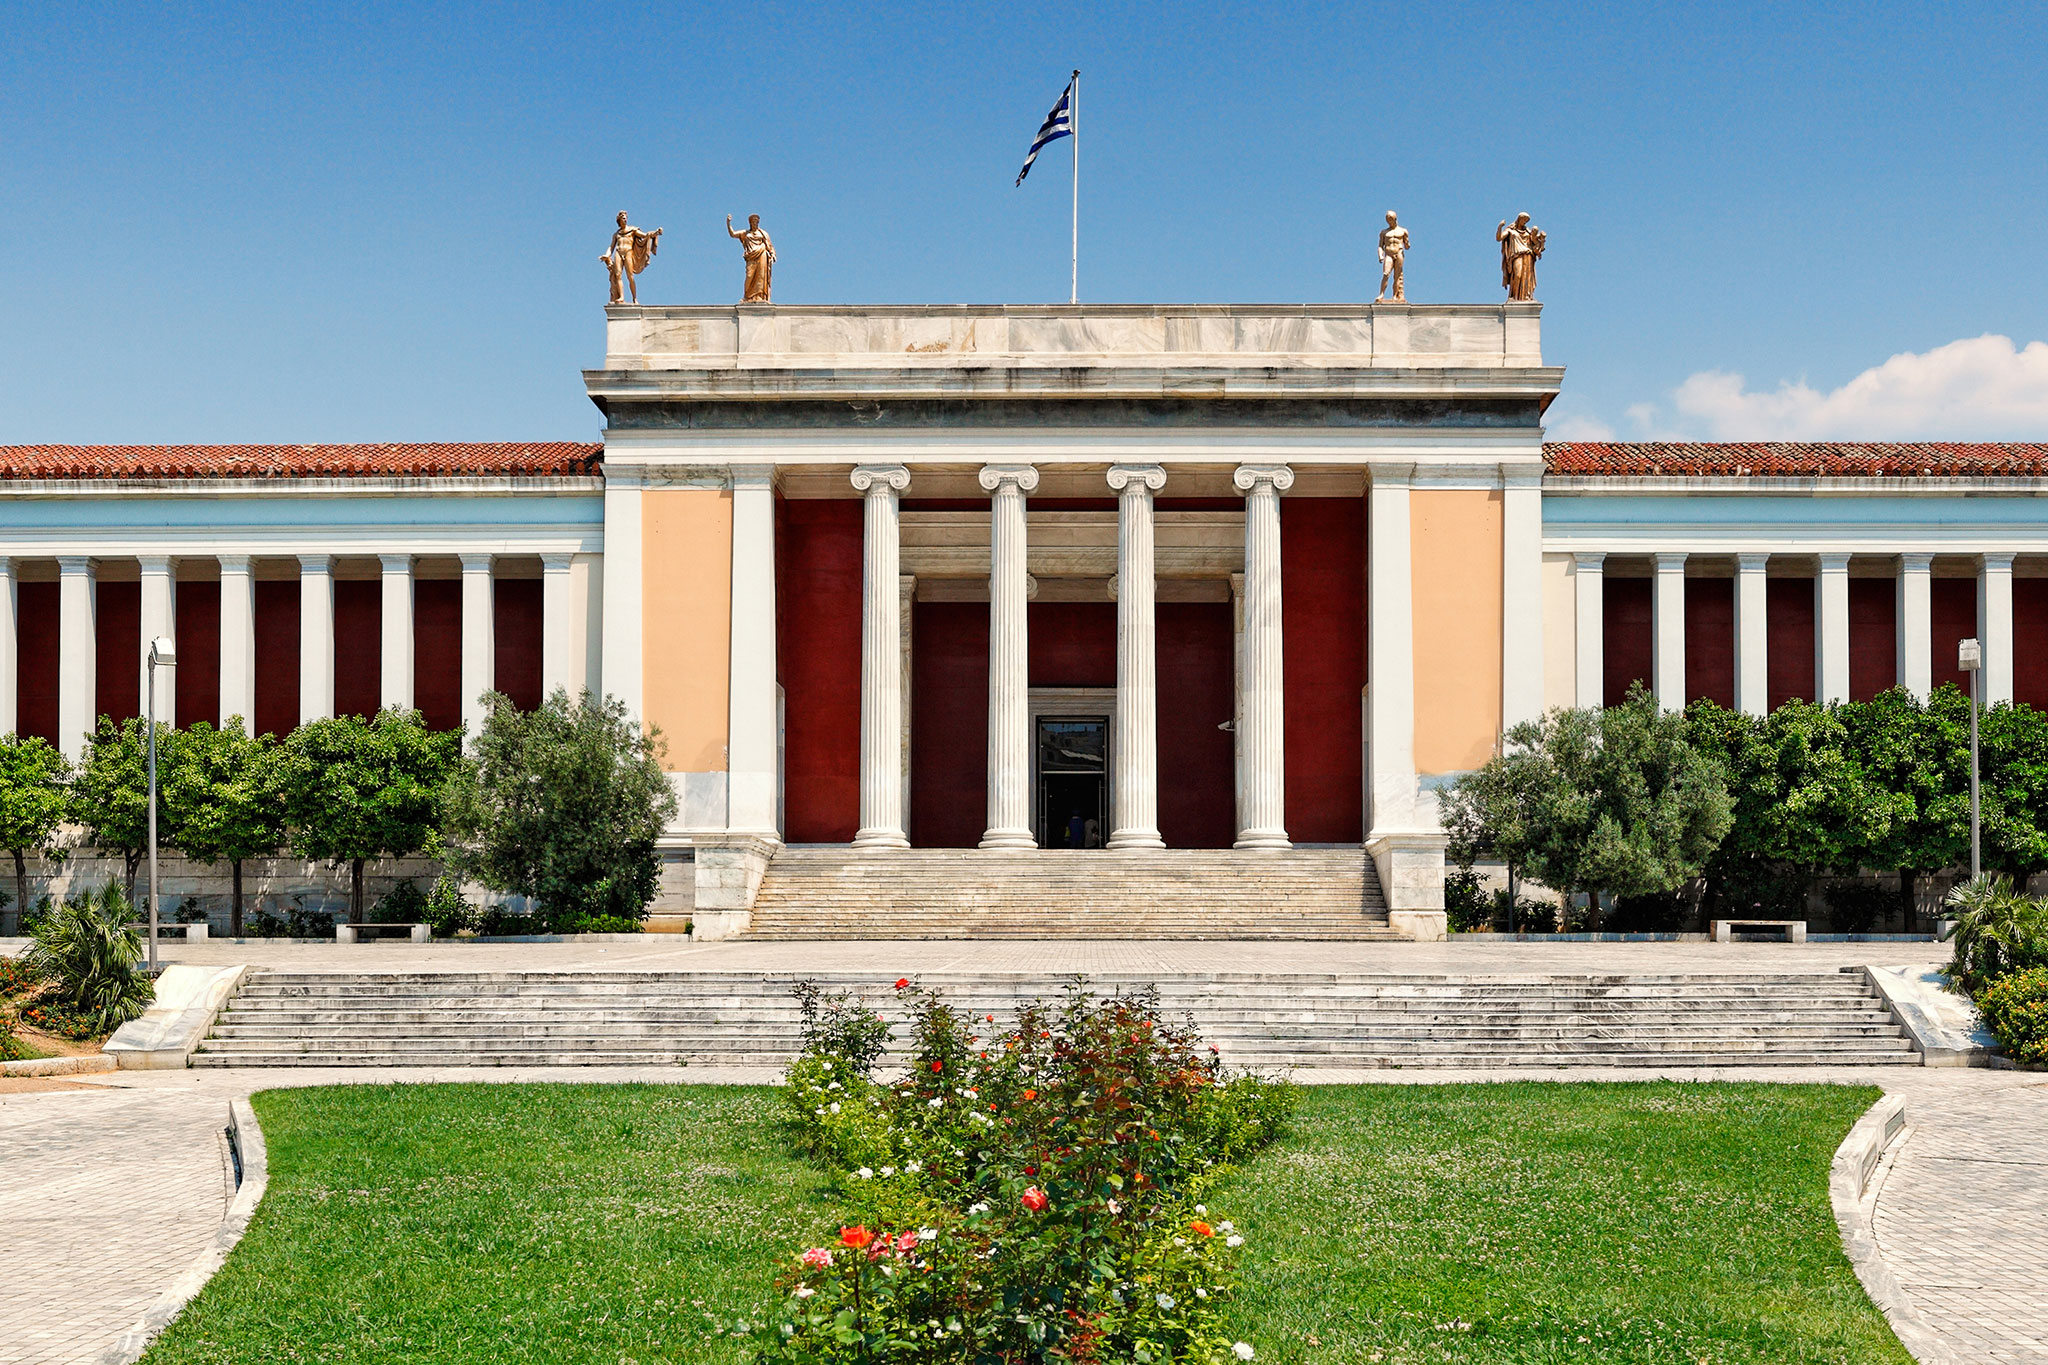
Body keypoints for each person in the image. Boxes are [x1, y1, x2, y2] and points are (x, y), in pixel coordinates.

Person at [602, 211, 661, 305]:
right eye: (623, 218)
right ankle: (621, 297)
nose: (625, 219)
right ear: (619, 220)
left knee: (630, 276)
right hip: (618, 252)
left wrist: (655, 233)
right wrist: (606, 255)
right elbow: (611, 247)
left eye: (626, 218)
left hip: (628, 252)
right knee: (618, 275)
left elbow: (645, 235)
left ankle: (634, 298)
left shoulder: (632, 230)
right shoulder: (616, 234)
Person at [1496, 213, 1546, 302]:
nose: (1524, 222)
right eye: (1523, 220)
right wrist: (1500, 226)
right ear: (1519, 219)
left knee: (1526, 278)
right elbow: (1499, 238)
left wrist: (1541, 242)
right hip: (1516, 256)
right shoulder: (1511, 231)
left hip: (1528, 256)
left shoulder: (1528, 232)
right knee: (1517, 275)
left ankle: (1526, 296)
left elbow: (1535, 243)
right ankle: (1514, 297)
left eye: (1526, 221)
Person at [728, 213, 776, 303]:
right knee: (749, 276)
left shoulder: (763, 233)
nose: (754, 223)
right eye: (752, 222)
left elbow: (769, 245)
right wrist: (728, 223)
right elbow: (732, 234)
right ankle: (747, 297)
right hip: (751, 257)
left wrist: (772, 254)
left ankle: (760, 297)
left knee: (761, 276)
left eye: (756, 222)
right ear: (750, 223)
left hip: (762, 254)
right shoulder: (745, 233)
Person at [1376, 211, 1410, 302]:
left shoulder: (1403, 231)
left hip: (1398, 252)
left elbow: (1407, 245)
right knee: (1386, 274)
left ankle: (1395, 296)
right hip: (1388, 254)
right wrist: (1380, 255)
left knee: (1397, 276)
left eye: (1390, 219)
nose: (1389, 222)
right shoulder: (1384, 232)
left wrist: (1407, 244)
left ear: (1395, 219)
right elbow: (1380, 246)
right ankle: (1381, 294)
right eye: (1388, 220)